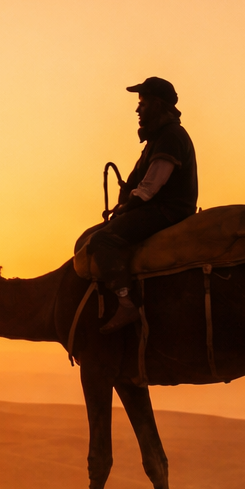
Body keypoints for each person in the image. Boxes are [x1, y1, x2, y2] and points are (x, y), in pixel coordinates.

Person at [91, 76, 199, 333]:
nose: (138, 109)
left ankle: (126, 303)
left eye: (144, 103)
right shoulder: (161, 137)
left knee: (101, 241)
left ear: (159, 105)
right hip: (159, 209)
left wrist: (128, 205)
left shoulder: (171, 136)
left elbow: (151, 186)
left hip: (167, 212)